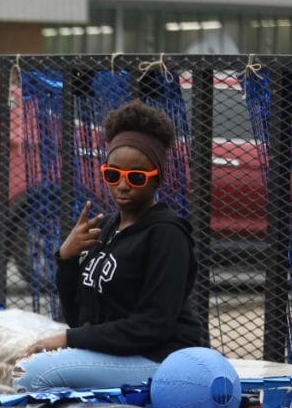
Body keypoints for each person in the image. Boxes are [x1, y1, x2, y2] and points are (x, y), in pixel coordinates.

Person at [15, 100, 206, 391]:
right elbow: (81, 320)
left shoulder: (167, 235)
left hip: (160, 359)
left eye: (137, 177)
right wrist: (66, 260)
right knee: (21, 358)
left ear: (157, 179)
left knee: (34, 373)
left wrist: (68, 340)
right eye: (113, 175)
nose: (123, 185)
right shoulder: (104, 229)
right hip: (116, 355)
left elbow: (153, 325)